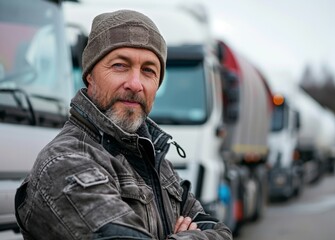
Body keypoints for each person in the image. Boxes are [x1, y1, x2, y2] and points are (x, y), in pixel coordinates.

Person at [14, 9, 232, 240]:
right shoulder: (66, 163)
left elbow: (222, 233)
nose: (135, 84)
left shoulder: (156, 162)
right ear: (89, 75)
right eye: (120, 65)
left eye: (148, 70)